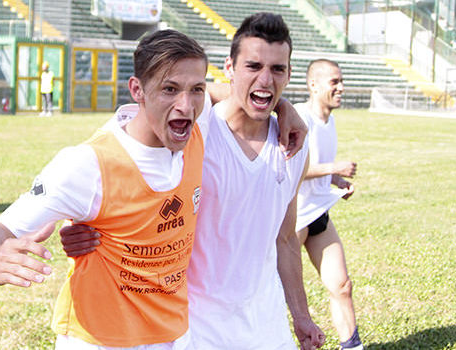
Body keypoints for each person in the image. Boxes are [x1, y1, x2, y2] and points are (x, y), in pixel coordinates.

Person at [0, 28, 306, 350]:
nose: (185, 106)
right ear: (137, 90)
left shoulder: (196, 134)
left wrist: (281, 106)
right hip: (99, 340)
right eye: (169, 89)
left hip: (175, 336)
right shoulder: (89, 165)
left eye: (196, 91)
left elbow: (234, 91)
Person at [61, 13, 326, 350]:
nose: (265, 79)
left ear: (289, 74)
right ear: (229, 68)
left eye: (277, 70)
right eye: (253, 66)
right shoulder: (195, 130)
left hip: (266, 327)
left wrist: (300, 315)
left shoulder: (293, 147)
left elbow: (286, 238)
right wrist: (89, 225)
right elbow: (124, 160)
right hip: (194, 328)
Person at [293, 59, 362, 350]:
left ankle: (352, 347)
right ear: (314, 85)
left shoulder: (328, 120)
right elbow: (293, 168)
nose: (341, 87)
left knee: (342, 285)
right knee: (273, 294)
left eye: (341, 81)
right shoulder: (299, 118)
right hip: (292, 220)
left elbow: (315, 166)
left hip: (319, 214)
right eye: (334, 82)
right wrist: (334, 166)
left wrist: (336, 179)